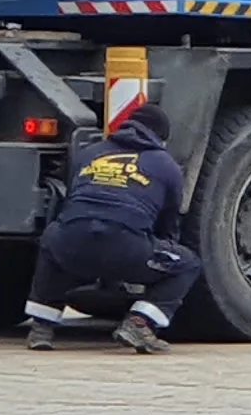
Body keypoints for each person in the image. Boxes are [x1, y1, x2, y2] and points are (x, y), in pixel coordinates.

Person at [27, 100, 200, 354]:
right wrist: (158, 249)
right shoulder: (166, 165)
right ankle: (139, 324)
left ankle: (41, 327)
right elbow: (169, 219)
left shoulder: (90, 153)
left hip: (73, 243)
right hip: (127, 248)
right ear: (161, 137)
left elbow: (70, 198)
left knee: (53, 240)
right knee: (187, 263)